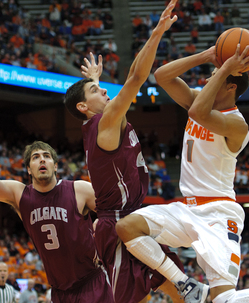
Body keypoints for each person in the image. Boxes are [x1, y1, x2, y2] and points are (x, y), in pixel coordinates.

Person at [115, 45, 249, 303]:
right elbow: (162, 76)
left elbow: (197, 114)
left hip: (218, 215)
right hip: (187, 209)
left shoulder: (237, 124)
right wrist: (207, 56)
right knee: (127, 227)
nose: (207, 79)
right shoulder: (198, 99)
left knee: (224, 300)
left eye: (215, 76)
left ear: (230, 86)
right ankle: (186, 285)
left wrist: (224, 68)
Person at [64, 2, 186, 302]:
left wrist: (91, 79)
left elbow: (105, 89)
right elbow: (134, 78)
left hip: (135, 218)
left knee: (179, 288)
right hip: (116, 226)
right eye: (96, 91)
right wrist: (157, 32)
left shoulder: (104, 122)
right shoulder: (104, 124)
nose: (104, 90)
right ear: (83, 108)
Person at [0, 105, 113, 303]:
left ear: (55, 166)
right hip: (59, 291)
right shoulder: (19, 194)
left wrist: (102, 229)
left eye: (47, 156)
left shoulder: (79, 189)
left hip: (92, 282)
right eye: (36, 157)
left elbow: (116, 214)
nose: (42, 160)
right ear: (29, 169)